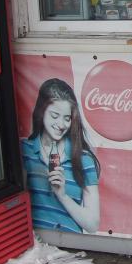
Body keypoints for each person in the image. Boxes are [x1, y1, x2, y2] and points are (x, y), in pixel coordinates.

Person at [22, 78, 101, 234]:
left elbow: (92, 225)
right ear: (41, 111)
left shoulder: (84, 160)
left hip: (70, 250)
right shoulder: (24, 150)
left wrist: (63, 195)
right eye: (54, 115)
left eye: (67, 118)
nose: (61, 124)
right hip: (33, 248)